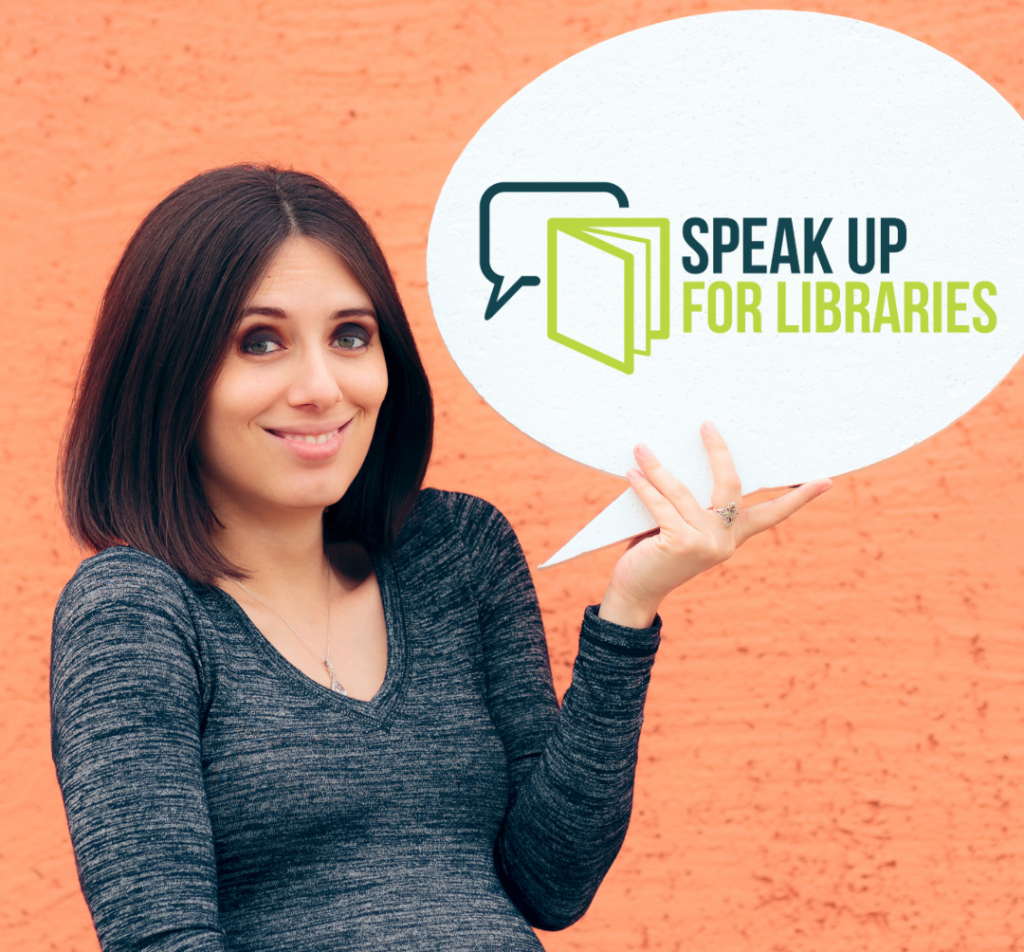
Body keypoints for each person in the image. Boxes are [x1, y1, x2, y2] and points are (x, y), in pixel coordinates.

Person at [50, 164, 831, 952]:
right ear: (165, 374)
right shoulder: (135, 610)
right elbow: (162, 937)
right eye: (261, 342)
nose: (322, 386)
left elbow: (550, 886)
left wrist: (631, 608)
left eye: (351, 336)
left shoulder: (456, 553)